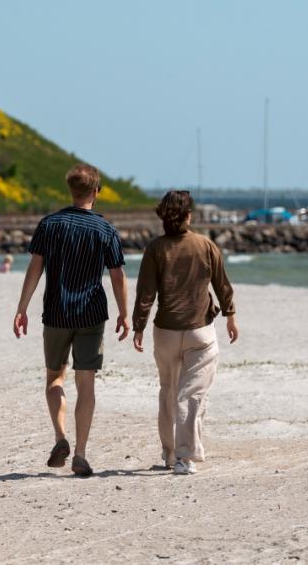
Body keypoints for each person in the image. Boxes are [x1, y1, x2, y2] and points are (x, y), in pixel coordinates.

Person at [13, 164, 129, 477]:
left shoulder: (49, 224)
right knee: (86, 383)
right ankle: (80, 453)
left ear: (70, 190)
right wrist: (124, 312)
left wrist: (22, 308)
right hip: (91, 313)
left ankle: (60, 436)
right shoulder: (105, 229)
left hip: (56, 312)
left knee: (54, 378)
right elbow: (117, 275)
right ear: (96, 191)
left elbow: (35, 268)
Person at [132, 189, 238, 476]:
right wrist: (230, 315)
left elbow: (146, 293)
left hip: (165, 332)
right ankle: (185, 456)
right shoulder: (205, 245)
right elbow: (222, 284)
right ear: (189, 215)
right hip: (199, 332)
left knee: (168, 391)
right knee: (191, 394)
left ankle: (168, 453)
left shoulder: (155, 248)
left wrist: (138, 327)